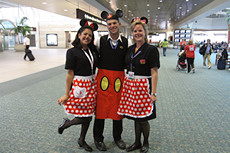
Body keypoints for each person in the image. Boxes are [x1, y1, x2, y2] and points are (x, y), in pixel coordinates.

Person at [117, 18, 160, 153]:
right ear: (132, 33)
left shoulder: (151, 50)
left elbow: (154, 72)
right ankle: (137, 142)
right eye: (135, 31)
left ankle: (145, 142)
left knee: (143, 118)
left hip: (144, 87)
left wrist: (153, 93)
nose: (137, 33)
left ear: (145, 33)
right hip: (131, 86)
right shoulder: (130, 49)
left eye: (140, 30)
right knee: (136, 117)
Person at [57, 19, 98, 152]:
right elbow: (70, 74)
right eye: (85, 34)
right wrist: (66, 93)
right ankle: (67, 123)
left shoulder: (93, 51)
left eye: (90, 35)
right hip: (80, 85)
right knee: (83, 116)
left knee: (88, 116)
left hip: (92, 85)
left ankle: (82, 139)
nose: (87, 37)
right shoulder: (72, 52)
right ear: (79, 35)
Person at [93, 10, 128, 151]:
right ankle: (98, 139)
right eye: (109, 24)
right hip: (103, 79)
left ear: (119, 24)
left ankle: (117, 137)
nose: (112, 26)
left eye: (114, 23)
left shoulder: (126, 41)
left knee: (117, 110)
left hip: (119, 79)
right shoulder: (101, 41)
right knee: (100, 110)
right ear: (106, 26)